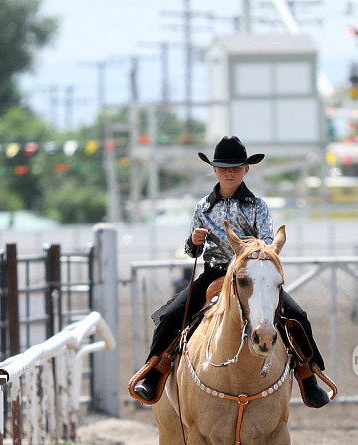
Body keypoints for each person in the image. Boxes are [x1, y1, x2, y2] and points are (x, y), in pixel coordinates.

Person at [130, 135, 330, 408]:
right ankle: (154, 373)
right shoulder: (203, 206)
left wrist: (248, 252)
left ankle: (309, 376)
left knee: (297, 316)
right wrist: (194, 242)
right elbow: (191, 251)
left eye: (236, 167)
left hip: (252, 274)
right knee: (170, 316)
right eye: (224, 167)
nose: (230, 172)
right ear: (214, 170)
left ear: (246, 169)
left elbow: (268, 244)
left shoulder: (258, 205)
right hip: (214, 273)